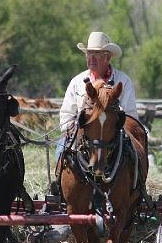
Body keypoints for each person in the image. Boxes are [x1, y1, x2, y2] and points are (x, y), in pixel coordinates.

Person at [55, 32, 137, 166]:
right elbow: (66, 115)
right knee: (61, 152)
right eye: (89, 54)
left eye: (97, 54)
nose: (91, 58)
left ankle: (137, 185)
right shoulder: (77, 82)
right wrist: (75, 131)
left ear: (108, 57)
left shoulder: (123, 81)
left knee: (135, 157)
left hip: (114, 140)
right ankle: (58, 186)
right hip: (80, 139)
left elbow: (130, 118)